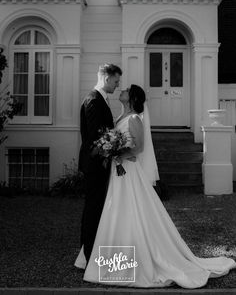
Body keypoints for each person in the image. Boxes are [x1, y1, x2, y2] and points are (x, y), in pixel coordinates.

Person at [75, 84, 236, 288]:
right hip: (118, 172)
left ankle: (128, 263)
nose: (121, 91)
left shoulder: (134, 119)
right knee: (116, 211)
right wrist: (112, 150)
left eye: (125, 90)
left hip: (128, 172)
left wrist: (116, 154)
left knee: (129, 211)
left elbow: (138, 148)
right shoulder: (120, 117)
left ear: (132, 98)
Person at [78, 63, 122, 263]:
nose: (117, 85)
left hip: (99, 163)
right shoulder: (94, 100)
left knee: (96, 207)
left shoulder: (100, 99)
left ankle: (92, 252)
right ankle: (88, 256)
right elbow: (97, 138)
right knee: (93, 208)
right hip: (95, 165)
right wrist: (115, 146)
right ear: (106, 78)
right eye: (115, 81)